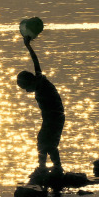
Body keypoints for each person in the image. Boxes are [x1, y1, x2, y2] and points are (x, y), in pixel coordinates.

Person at [17, 35, 65, 175]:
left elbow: (35, 60)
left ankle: (57, 167)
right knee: (42, 142)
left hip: (55, 118)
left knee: (49, 144)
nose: (26, 91)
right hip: (50, 119)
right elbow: (35, 59)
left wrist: (28, 45)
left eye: (26, 87)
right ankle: (42, 167)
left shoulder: (41, 83)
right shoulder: (38, 79)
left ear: (30, 81)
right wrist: (27, 45)